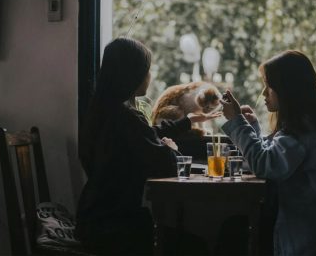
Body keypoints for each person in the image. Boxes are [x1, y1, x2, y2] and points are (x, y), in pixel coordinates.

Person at [75, 37, 219, 255]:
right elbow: (167, 165)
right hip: (115, 231)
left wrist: (187, 121)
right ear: (132, 74)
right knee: (196, 248)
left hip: (94, 221)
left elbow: (146, 135)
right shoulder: (126, 118)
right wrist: (170, 148)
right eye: (147, 70)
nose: (150, 76)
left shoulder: (104, 112)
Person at [221, 50, 316, 256]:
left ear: (287, 90)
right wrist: (253, 128)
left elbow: (265, 164)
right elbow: (272, 155)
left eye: (269, 87)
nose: (264, 93)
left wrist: (237, 122)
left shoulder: (302, 130)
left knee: (234, 232)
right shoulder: (306, 123)